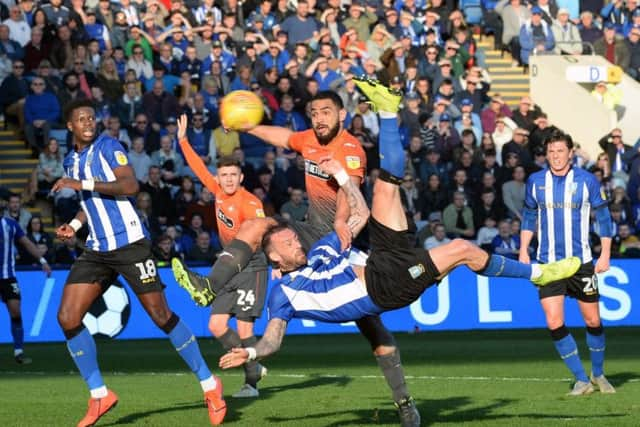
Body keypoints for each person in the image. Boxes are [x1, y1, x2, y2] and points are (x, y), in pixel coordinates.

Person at [213, 80, 581, 420]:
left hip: (372, 255)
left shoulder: (343, 169)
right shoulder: (284, 294)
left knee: (388, 185)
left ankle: (388, 111)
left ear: (342, 114)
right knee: (460, 249)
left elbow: (354, 209)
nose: (292, 239)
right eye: (287, 243)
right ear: (275, 259)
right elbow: (274, 336)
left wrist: (342, 191)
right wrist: (252, 352)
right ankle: (538, 273)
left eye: (326, 111)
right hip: (386, 284)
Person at [177, 82, 422, 425]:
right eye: (314, 113)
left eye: (326, 112)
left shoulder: (350, 148)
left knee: (374, 329)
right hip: (308, 234)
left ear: (342, 115)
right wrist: (248, 126)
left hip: (345, 236)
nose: (319, 119)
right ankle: (210, 285)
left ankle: (404, 401)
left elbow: (347, 193)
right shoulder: (308, 139)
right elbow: (283, 137)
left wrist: (339, 223)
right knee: (258, 226)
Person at [51, 99, 226, 427]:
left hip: (130, 243)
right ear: (70, 126)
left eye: (92, 116)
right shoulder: (70, 160)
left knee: (161, 316)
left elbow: (129, 186)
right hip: (97, 248)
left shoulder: (108, 146)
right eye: (81, 119)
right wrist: (73, 227)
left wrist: (81, 184)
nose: (88, 122)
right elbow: (89, 204)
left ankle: (209, 384)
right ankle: (99, 394)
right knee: (67, 317)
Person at [174, 114, 270, 398]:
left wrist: (276, 263)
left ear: (241, 177)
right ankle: (254, 364)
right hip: (230, 265)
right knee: (215, 325)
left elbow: (262, 234)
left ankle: (250, 384)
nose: (228, 180)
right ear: (219, 178)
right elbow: (196, 166)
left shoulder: (251, 203)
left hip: (252, 265)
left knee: (244, 327)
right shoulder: (216, 190)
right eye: (223, 175)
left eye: (233, 175)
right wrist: (182, 140)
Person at [519, 130, 615, 396]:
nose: (555, 156)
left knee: (593, 320)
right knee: (553, 321)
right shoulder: (536, 181)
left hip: (581, 262)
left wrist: (605, 253)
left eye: (560, 151)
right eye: (551, 151)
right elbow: (528, 216)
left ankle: (598, 374)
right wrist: (524, 249)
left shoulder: (587, 181)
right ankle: (581, 379)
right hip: (548, 264)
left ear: (570, 153)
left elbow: (604, 218)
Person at [0, 215, 51, 364]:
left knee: (15, 311)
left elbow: (27, 243)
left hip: (8, 277)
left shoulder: (10, 224)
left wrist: (42, 261)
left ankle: (18, 352)